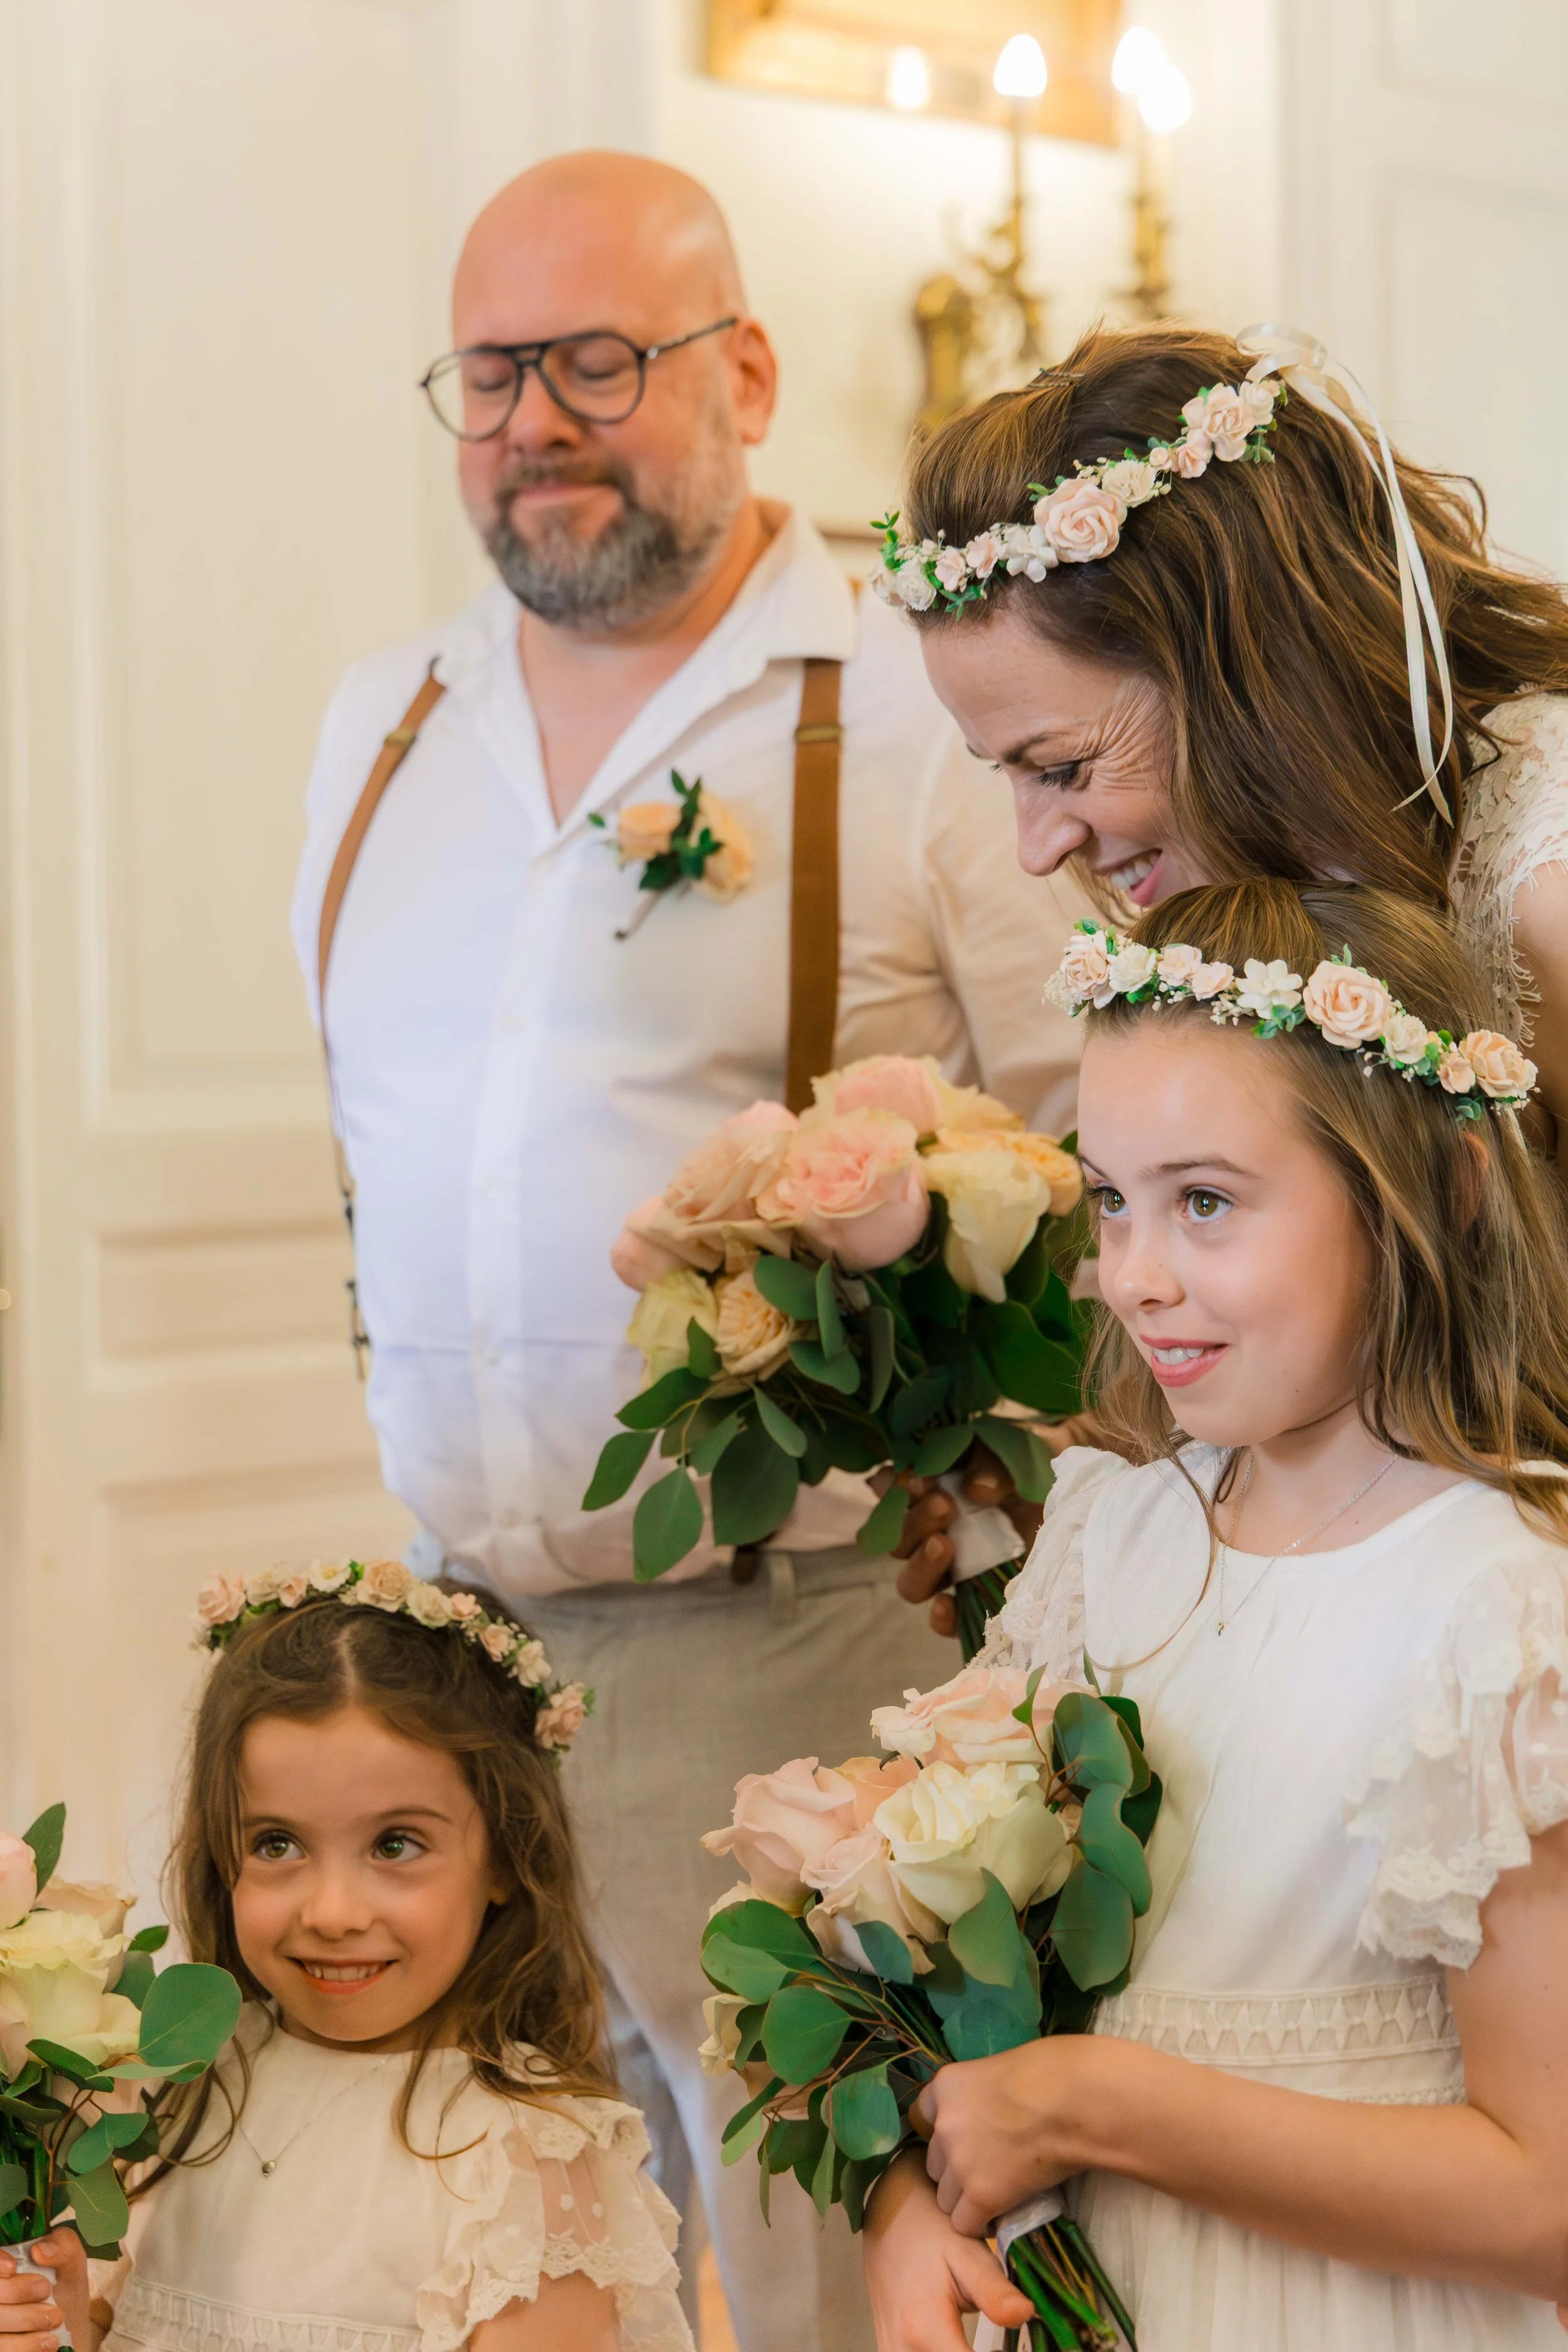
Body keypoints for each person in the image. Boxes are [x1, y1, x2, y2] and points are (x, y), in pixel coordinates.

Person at [289, 151, 1088, 2351]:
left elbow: (1103, 1160)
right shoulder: (385, 726)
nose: (535, 417)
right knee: (527, 2283)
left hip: (797, 1657)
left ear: (742, 371)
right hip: (450, 1672)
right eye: (490, 374)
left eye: (598, 361)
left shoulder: (918, 709)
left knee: (827, 2289)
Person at [863, 877, 1568, 2351]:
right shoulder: (1112, 1531)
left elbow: (1545, 2197)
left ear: (1437, 1189)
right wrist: (912, 2203)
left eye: (1206, 1201)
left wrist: (1096, 2103)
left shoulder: (1505, 1608)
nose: (1134, 1275)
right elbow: (961, 1974)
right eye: (1112, 1197)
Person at [876, 322, 1568, 1161]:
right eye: (1007, 773)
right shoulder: (1300, 872)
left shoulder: (1547, 886)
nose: (1036, 849)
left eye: (1062, 767)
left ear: (1247, 674)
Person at [0, 1563, 689, 2352]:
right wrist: (54, 2327)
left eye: (396, 1844)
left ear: (503, 1853)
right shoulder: (182, 2082)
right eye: (277, 1843)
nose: (332, 1914)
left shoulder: (525, 2156)